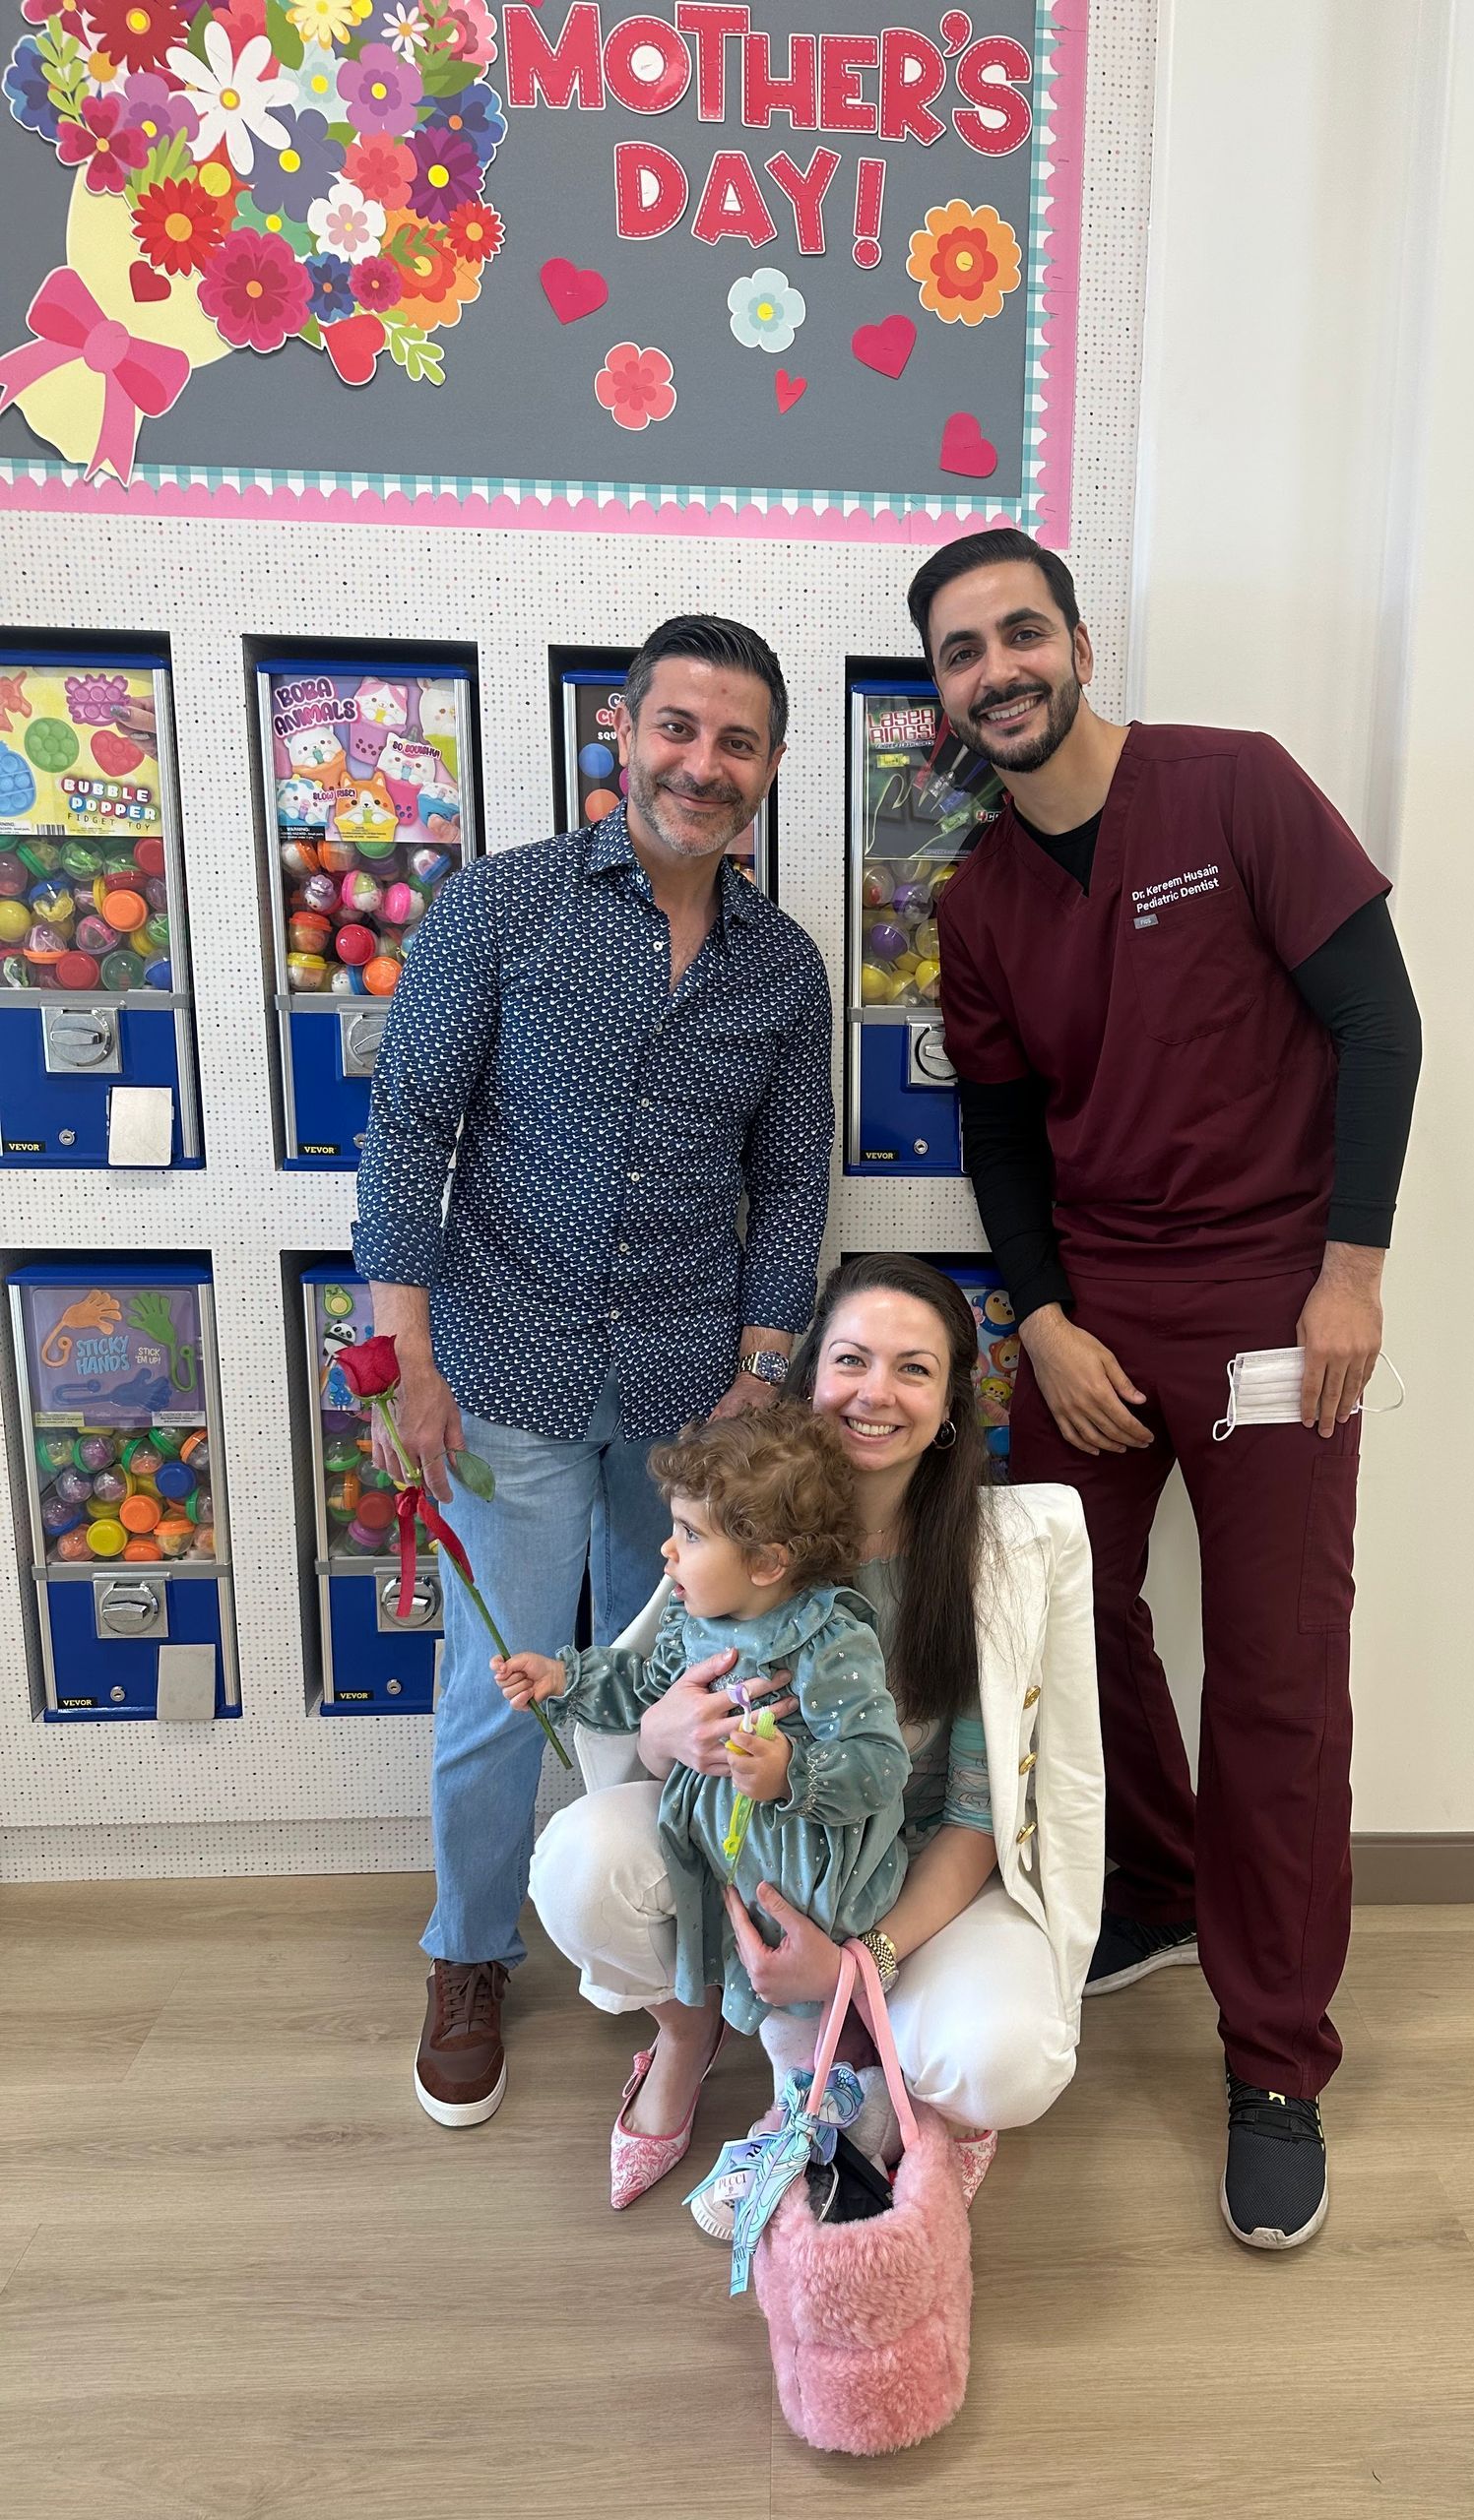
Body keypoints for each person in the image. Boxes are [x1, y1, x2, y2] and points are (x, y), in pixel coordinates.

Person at [906, 528, 1424, 2252]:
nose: (999, 670)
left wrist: (1351, 1274)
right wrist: (1039, 1319)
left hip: (1278, 1310)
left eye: (1020, 633)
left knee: (1280, 1680)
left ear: (1077, 644)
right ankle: (1171, 1882)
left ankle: (1276, 2064)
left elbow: (1381, 1023)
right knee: (1055, 1624)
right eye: (964, 654)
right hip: (1094, 1321)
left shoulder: (1239, 791)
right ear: (945, 695)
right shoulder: (976, 904)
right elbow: (996, 1130)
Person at [352, 614, 833, 2131]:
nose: (705, 764)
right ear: (620, 734)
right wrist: (406, 1355)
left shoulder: (783, 965)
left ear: (767, 768)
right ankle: (471, 1953)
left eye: (738, 740)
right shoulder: (501, 908)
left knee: (681, 1686)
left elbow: (793, 1179)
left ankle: (664, 1960)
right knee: (499, 1693)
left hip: (696, 1398)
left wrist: (764, 1369)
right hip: (504, 1373)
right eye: (678, 728)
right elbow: (405, 1132)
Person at [527, 1253, 1104, 2204]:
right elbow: (655, 1699)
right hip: (755, 1849)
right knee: (581, 1864)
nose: (875, 1393)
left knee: (1005, 2060)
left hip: (914, 1875)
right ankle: (689, 2032)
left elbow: (973, 1814)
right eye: (850, 1360)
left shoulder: (990, 1565)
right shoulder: (735, 1529)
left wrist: (857, 1959)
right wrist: (671, 1731)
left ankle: (881, 2053)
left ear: (954, 1398)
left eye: (913, 1369)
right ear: (810, 1378)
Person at [491, 1405, 912, 2206]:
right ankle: (710, 2044)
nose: (666, 1550)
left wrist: (792, 1771)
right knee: (701, 1955)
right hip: (713, 1846)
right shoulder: (693, 1618)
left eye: (688, 1534)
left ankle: (815, 2123)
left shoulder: (829, 1642)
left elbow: (879, 1765)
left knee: (791, 2007)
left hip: (796, 1872)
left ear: (766, 1562)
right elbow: (645, 1689)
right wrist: (565, 1678)